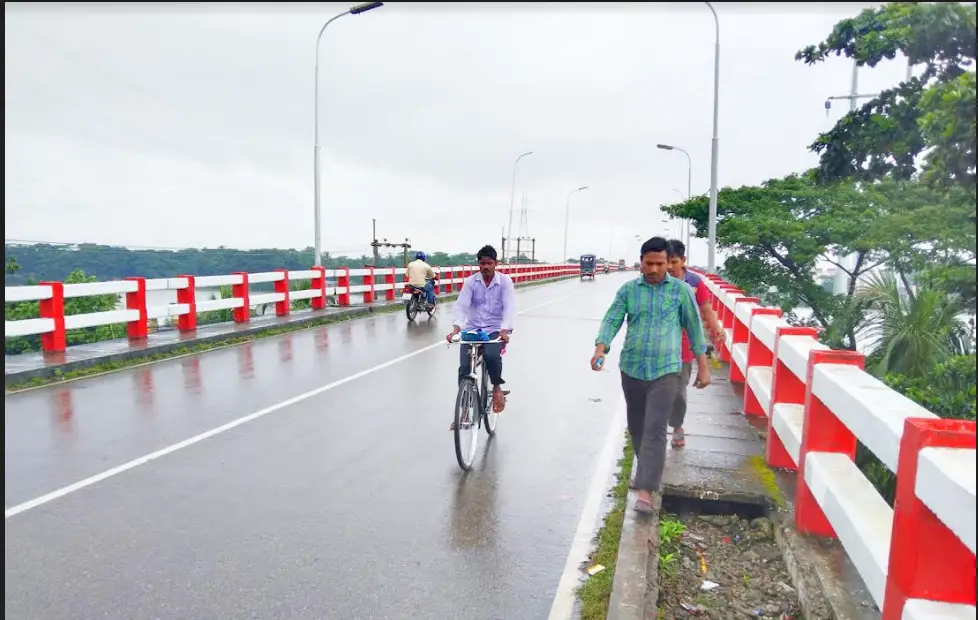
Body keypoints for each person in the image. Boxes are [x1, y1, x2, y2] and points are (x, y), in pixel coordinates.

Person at [590, 236, 711, 514]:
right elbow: (612, 319)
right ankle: (645, 471)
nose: (655, 269)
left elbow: (694, 327)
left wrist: (703, 365)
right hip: (632, 368)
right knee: (637, 425)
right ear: (641, 263)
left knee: (656, 428)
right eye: (649, 264)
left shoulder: (681, 291)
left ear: (668, 263)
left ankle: (645, 490)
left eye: (660, 264)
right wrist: (601, 348)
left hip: (667, 369)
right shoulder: (628, 291)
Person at [665, 239, 726, 448]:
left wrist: (715, 327)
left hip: (684, 346)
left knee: (679, 393)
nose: (670, 267)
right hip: (659, 345)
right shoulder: (657, 280)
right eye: (667, 262)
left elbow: (706, 307)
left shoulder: (694, 282)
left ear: (683, 260)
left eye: (674, 261)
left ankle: (677, 426)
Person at [446, 245, 516, 421]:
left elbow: (509, 308)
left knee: (492, 356)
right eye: (482, 263)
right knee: (464, 368)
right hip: (473, 329)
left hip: (494, 329)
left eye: (489, 263)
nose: (485, 267)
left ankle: (497, 388)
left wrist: (504, 330)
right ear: (478, 264)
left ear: (495, 263)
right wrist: (456, 329)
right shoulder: (471, 282)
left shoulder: (505, 282)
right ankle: (464, 411)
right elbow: (461, 307)